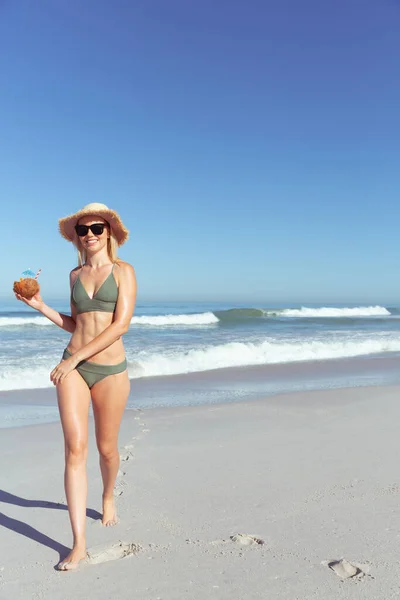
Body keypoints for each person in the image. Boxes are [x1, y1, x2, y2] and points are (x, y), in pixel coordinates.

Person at [14, 203, 137, 571]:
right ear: (76, 237)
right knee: (75, 449)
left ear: (109, 232)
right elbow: (75, 324)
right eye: (82, 230)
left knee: (107, 450)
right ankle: (78, 543)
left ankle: (108, 495)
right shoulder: (74, 274)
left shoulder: (124, 272)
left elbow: (120, 326)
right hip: (75, 368)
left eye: (97, 228)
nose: (89, 235)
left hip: (110, 370)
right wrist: (39, 306)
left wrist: (72, 359)